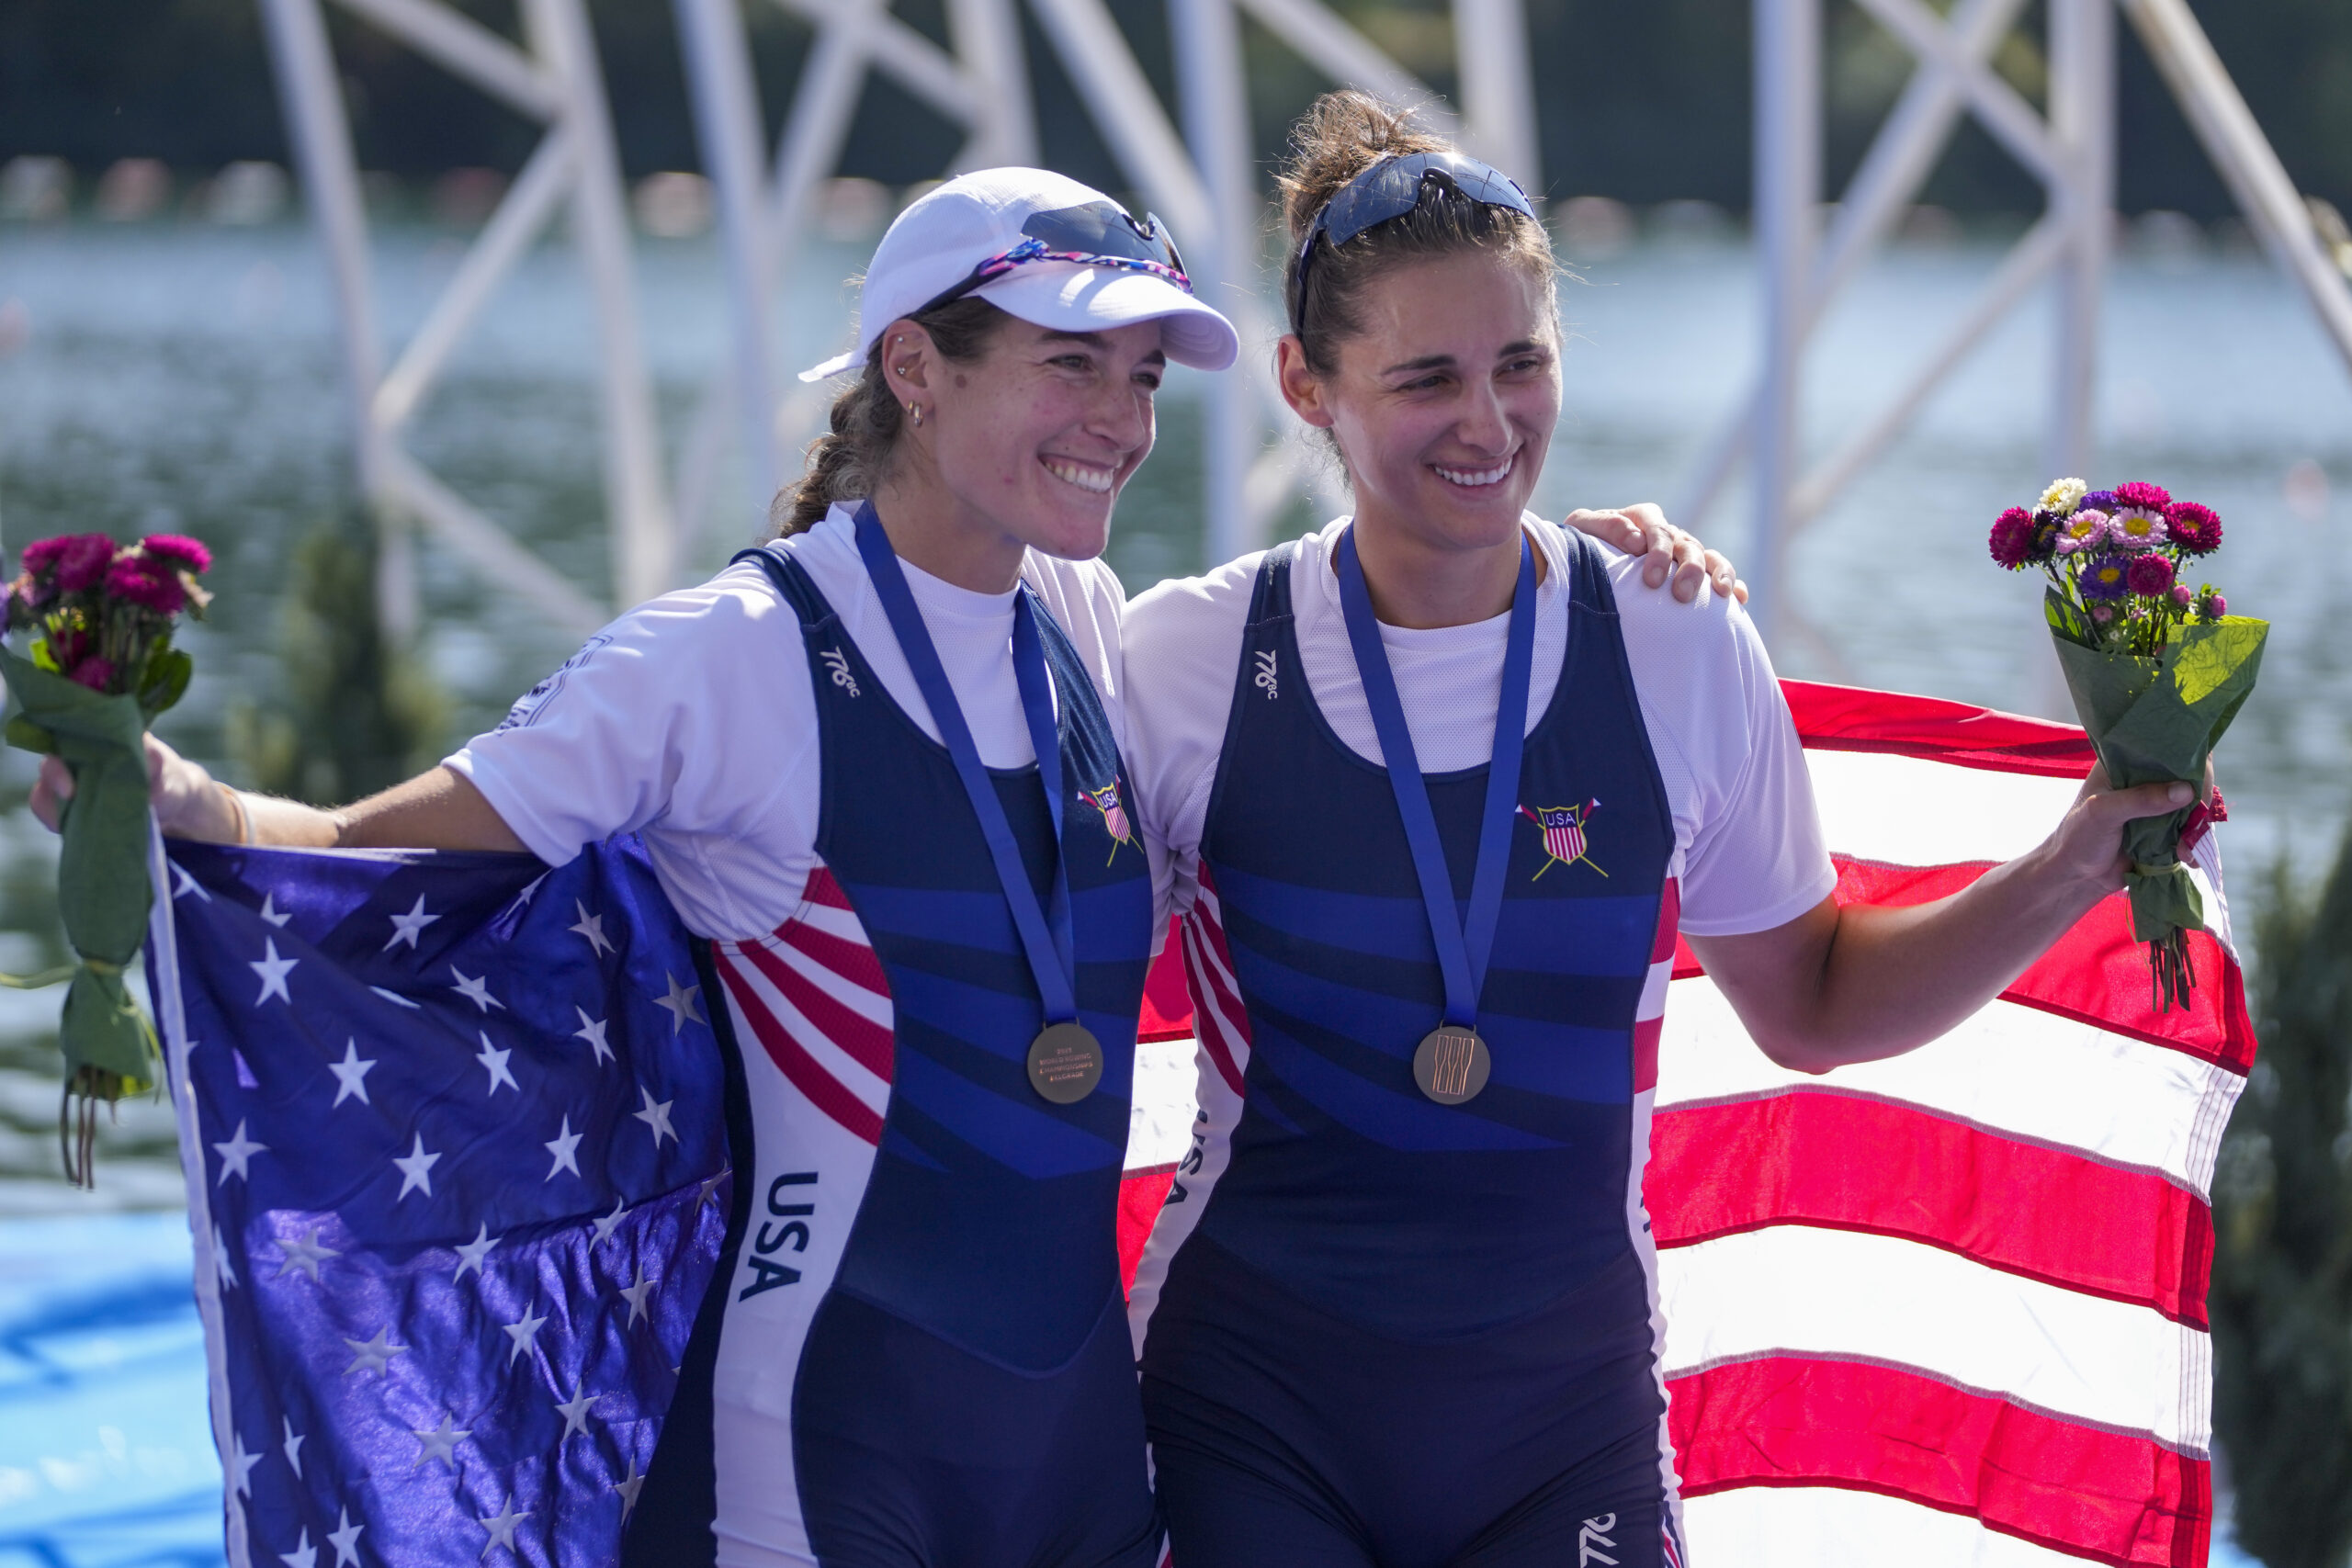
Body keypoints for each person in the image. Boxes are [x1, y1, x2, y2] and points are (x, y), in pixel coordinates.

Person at [32, 165, 1725, 1567]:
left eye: (1142, 378)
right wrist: (159, 788)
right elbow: (364, 860)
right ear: (913, 366)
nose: (1119, 425)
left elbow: (1395, 681)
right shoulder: (727, 659)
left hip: (1080, 1465)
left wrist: (1597, 558)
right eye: (1071, 366)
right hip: (826, 1456)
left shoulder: (1086, 623)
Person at [1117, 93, 2198, 1568]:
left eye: (1523, 365)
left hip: (1564, 1437)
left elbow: (1815, 1006)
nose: (1491, 426)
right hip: (1249, 1420)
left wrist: (2076, 859)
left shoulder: (1675, 638)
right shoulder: (1182, 661)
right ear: (1308, 387)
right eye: (1428, 378)